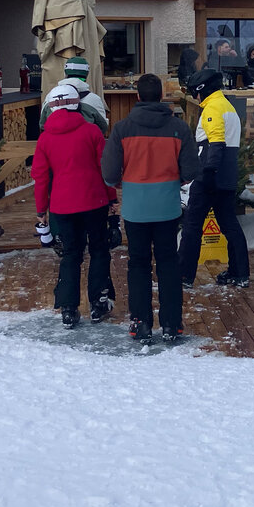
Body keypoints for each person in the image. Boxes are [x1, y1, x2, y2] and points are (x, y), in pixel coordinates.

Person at [102, 73, 200, 344]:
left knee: (138, 263)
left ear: (137, 97)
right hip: (167, 207)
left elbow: (109, 174)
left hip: (135, 209)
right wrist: (176, 180)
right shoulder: (178, 128)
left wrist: (122, 182)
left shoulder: (122, 129)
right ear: (162, 96)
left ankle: (141, 323)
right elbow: (191, 170)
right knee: (168, 263)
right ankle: (172, 324)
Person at [32, 82, 118, 327]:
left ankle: (68, 308)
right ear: (77, 105)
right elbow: (105, 169)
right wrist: (112, 198)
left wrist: (41, 211)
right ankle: (99, 301)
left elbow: (40, 177)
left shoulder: (45, 138)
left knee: (71, 254)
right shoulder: (92, 132)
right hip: (94, 200)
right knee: (99, 249)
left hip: (62, 205)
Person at [177, 69, 251, 289]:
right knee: (230, 224)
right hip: (227, 176)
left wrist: (208, 173)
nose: (195, 97)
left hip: (209, 176)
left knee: (192, 226)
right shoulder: (228, 107)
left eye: (194, 92)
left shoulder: (213, 108)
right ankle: (240, 273)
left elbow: (216, 142)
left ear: (202, 90)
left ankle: (184, 276)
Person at [39, 56, 108, 132]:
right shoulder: (94, 99)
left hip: (54, 139)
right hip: (84, 139)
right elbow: (103, 127)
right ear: (87, 74)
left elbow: (42, 124)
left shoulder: (50, 96)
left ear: (65, 73)